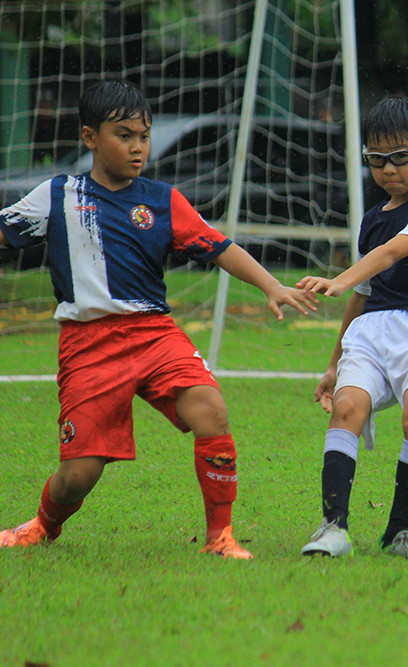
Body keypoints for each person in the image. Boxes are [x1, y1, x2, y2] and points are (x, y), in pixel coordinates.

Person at [0, 80, 318, 558]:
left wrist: (272, 285)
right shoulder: (57, 195)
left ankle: (220, 537)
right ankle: (43, 524)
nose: (137, 147)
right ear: (89, 137)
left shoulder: (162, 200)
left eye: (143, 136)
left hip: (153, 334)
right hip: (88, 345)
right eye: (124, 135)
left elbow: (219, 247)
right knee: (79, 475)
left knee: (210, 408)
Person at [297, 96, 408, 559]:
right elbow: (362, 295)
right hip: (370, 333)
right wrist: (333, 364)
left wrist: (337, 276)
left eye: (400, 157)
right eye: (376, 159)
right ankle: (333, 528)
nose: (389, 170)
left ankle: (399, 536)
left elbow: (390, 254)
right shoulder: (371, 221)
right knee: (346, 406)